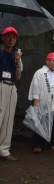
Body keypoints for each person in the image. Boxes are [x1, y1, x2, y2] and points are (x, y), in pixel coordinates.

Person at [28, 52, 54, 153]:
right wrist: (36, 99)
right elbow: (36, 86)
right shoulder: (39, 73)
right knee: (40, 122)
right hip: (42, 100)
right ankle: (38, 144)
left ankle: (53, 143)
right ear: (47, 60)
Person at [0, 27, 22, 161]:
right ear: (3, 37)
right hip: (1, 85)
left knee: (8, 120)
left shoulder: (16, 55)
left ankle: (4, 150)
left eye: (14, 37)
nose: (11, 39)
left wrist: (17, 62)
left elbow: (18, 77)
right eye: (8, 36)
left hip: (12, 87)